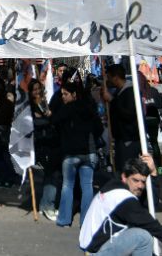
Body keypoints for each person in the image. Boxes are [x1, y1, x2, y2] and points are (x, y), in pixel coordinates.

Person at [80, 156, 162, 256]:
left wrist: (154, 174)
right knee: (143, 237)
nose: (140, 186)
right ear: (125, 177)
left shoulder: (115, 183)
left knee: (144, 232)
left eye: (143, 182)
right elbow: (155, 227)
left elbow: (149, 208)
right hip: (96, 251)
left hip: (97, 243)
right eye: (135, 180)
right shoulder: (124, 200)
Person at [51, 82, 104, 227]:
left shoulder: (66, 109)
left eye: (65, 94)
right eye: (62, 94)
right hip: (88, 152)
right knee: (87, 187)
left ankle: (64, 219)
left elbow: (53, 121)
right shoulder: (89, 109)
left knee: (68, 185)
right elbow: (99, 128)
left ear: (74, 94)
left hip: (71, 153)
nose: (63, 97)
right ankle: (86, 221)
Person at [29, 78, 61, 221]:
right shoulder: (30, 107)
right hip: (42, 144)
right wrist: (46, 119)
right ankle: (49, 206)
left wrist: (50, 114)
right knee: (52, 174)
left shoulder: (46, 102)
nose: (37, 92)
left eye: (38, 89)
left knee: (50, 174)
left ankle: (44, 204)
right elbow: (32, 124)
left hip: (52, 142)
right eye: (34, 90)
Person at [105, 64, 140, 172]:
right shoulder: (118, 92)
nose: (108, 81)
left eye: (109, 78)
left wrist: (112, 100)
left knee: (128, 171)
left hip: (128, 139)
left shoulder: (130, 92)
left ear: (115, 77)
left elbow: (129, 115)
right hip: (121, 138)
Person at [138, 72, 162, 174]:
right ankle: (160, 168)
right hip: (153, 119)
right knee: (154, 143)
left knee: (142, 144)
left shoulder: (138, 92)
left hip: (143, 120)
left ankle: (145, 169)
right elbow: (160, 104)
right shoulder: (153, 91)